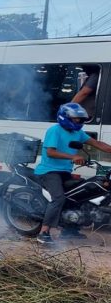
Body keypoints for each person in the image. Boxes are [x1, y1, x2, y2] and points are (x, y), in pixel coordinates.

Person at [34, 103, 111, 244]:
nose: (79, 121)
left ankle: (69, 229)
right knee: (59, 198)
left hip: (65, 171)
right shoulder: (54, 130)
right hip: (49, 171)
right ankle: (43, 232)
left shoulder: (78, 133)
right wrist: (72, 157)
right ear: (65, 117)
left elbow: (98, 144)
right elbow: (50, 152)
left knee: (78, 196)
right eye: (76, 119)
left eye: (81, 119)